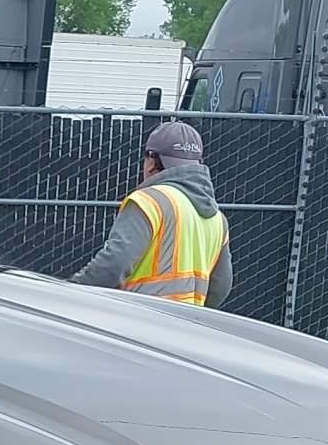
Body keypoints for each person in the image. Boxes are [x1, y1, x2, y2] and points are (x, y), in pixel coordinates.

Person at [72, 120, 231, 306]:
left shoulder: (150, 202)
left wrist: (72, 291)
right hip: (186, 327)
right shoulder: (217, 219)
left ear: (151, 161)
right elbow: (221, 287)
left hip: (140, 320)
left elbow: (113, 265)